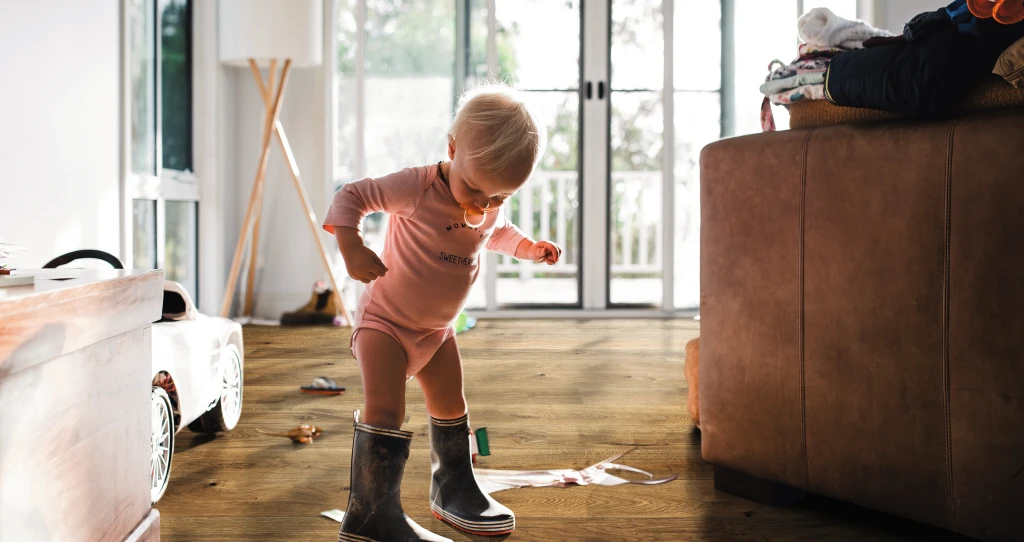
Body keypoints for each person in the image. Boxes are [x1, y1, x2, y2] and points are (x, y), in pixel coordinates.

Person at [324, 84, 562, 541]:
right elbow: (352, 196)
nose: (482, 205)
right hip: (387, 326)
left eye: (498, 197)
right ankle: (371, 516)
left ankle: (454, 486)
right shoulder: (417, 186)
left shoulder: (488, 203)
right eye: (475, 189)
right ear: (451, 147)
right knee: (386, 408)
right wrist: (351, 247)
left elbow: (497, 231)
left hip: (436, 332)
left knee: (453, 404)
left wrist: (528, 248)